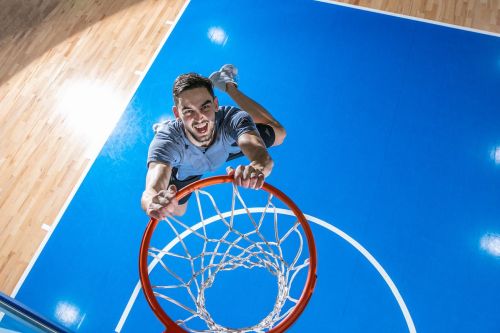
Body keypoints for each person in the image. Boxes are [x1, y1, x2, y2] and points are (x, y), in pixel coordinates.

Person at [141, 64, 286, 218]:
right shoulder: (167, 140)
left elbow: (261, 156)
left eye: (205, 107)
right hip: (188, 165)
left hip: (225, 147)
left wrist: (257, 168)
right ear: (177, 114)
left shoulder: (232, 118)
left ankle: (228, 85)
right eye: (189, 111)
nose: (199, 118)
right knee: (178, 210)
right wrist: (152, 201)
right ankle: (165, 127)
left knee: (279, 134)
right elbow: (151, 190)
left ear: (216, 105)